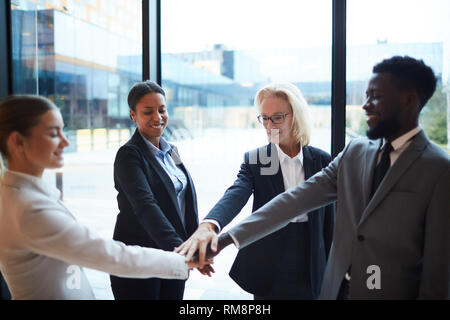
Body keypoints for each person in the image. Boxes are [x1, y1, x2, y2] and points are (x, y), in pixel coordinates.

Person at [183, 56, 450, 299]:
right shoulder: (354, 152)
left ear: (408, 100)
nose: (365, 105)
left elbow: (438, 268)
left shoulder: (439, 169)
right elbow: (289, 201)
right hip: (324, 284)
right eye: (264, 118)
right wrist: (220, 236)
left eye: (376, 96)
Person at [0, 95, 208, 300]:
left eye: (63, 131)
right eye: (54, 134)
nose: (65, 142)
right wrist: (183, 259)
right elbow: (110, 255)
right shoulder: (30, 209)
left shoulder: (17, 195)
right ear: (18, 141)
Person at [176, 83, 335, 299]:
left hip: (311, 258)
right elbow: (236, 193)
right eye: (264, 118)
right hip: (269, 260)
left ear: (295, 116)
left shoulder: (322, 160)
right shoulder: (257, 159)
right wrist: (209, 225)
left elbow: (330, 221)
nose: (270, 126)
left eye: (277, 117)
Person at [110, 81, 200, 300]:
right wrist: (180, 249)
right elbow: (145, 205)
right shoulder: (129, 155)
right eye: (148, 112)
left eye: (162, 110)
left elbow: (184, 199)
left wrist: (193, 241)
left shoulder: (171, 151)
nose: (158, 117)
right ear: (133, 115)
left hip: (171, 256)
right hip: (140, 257)